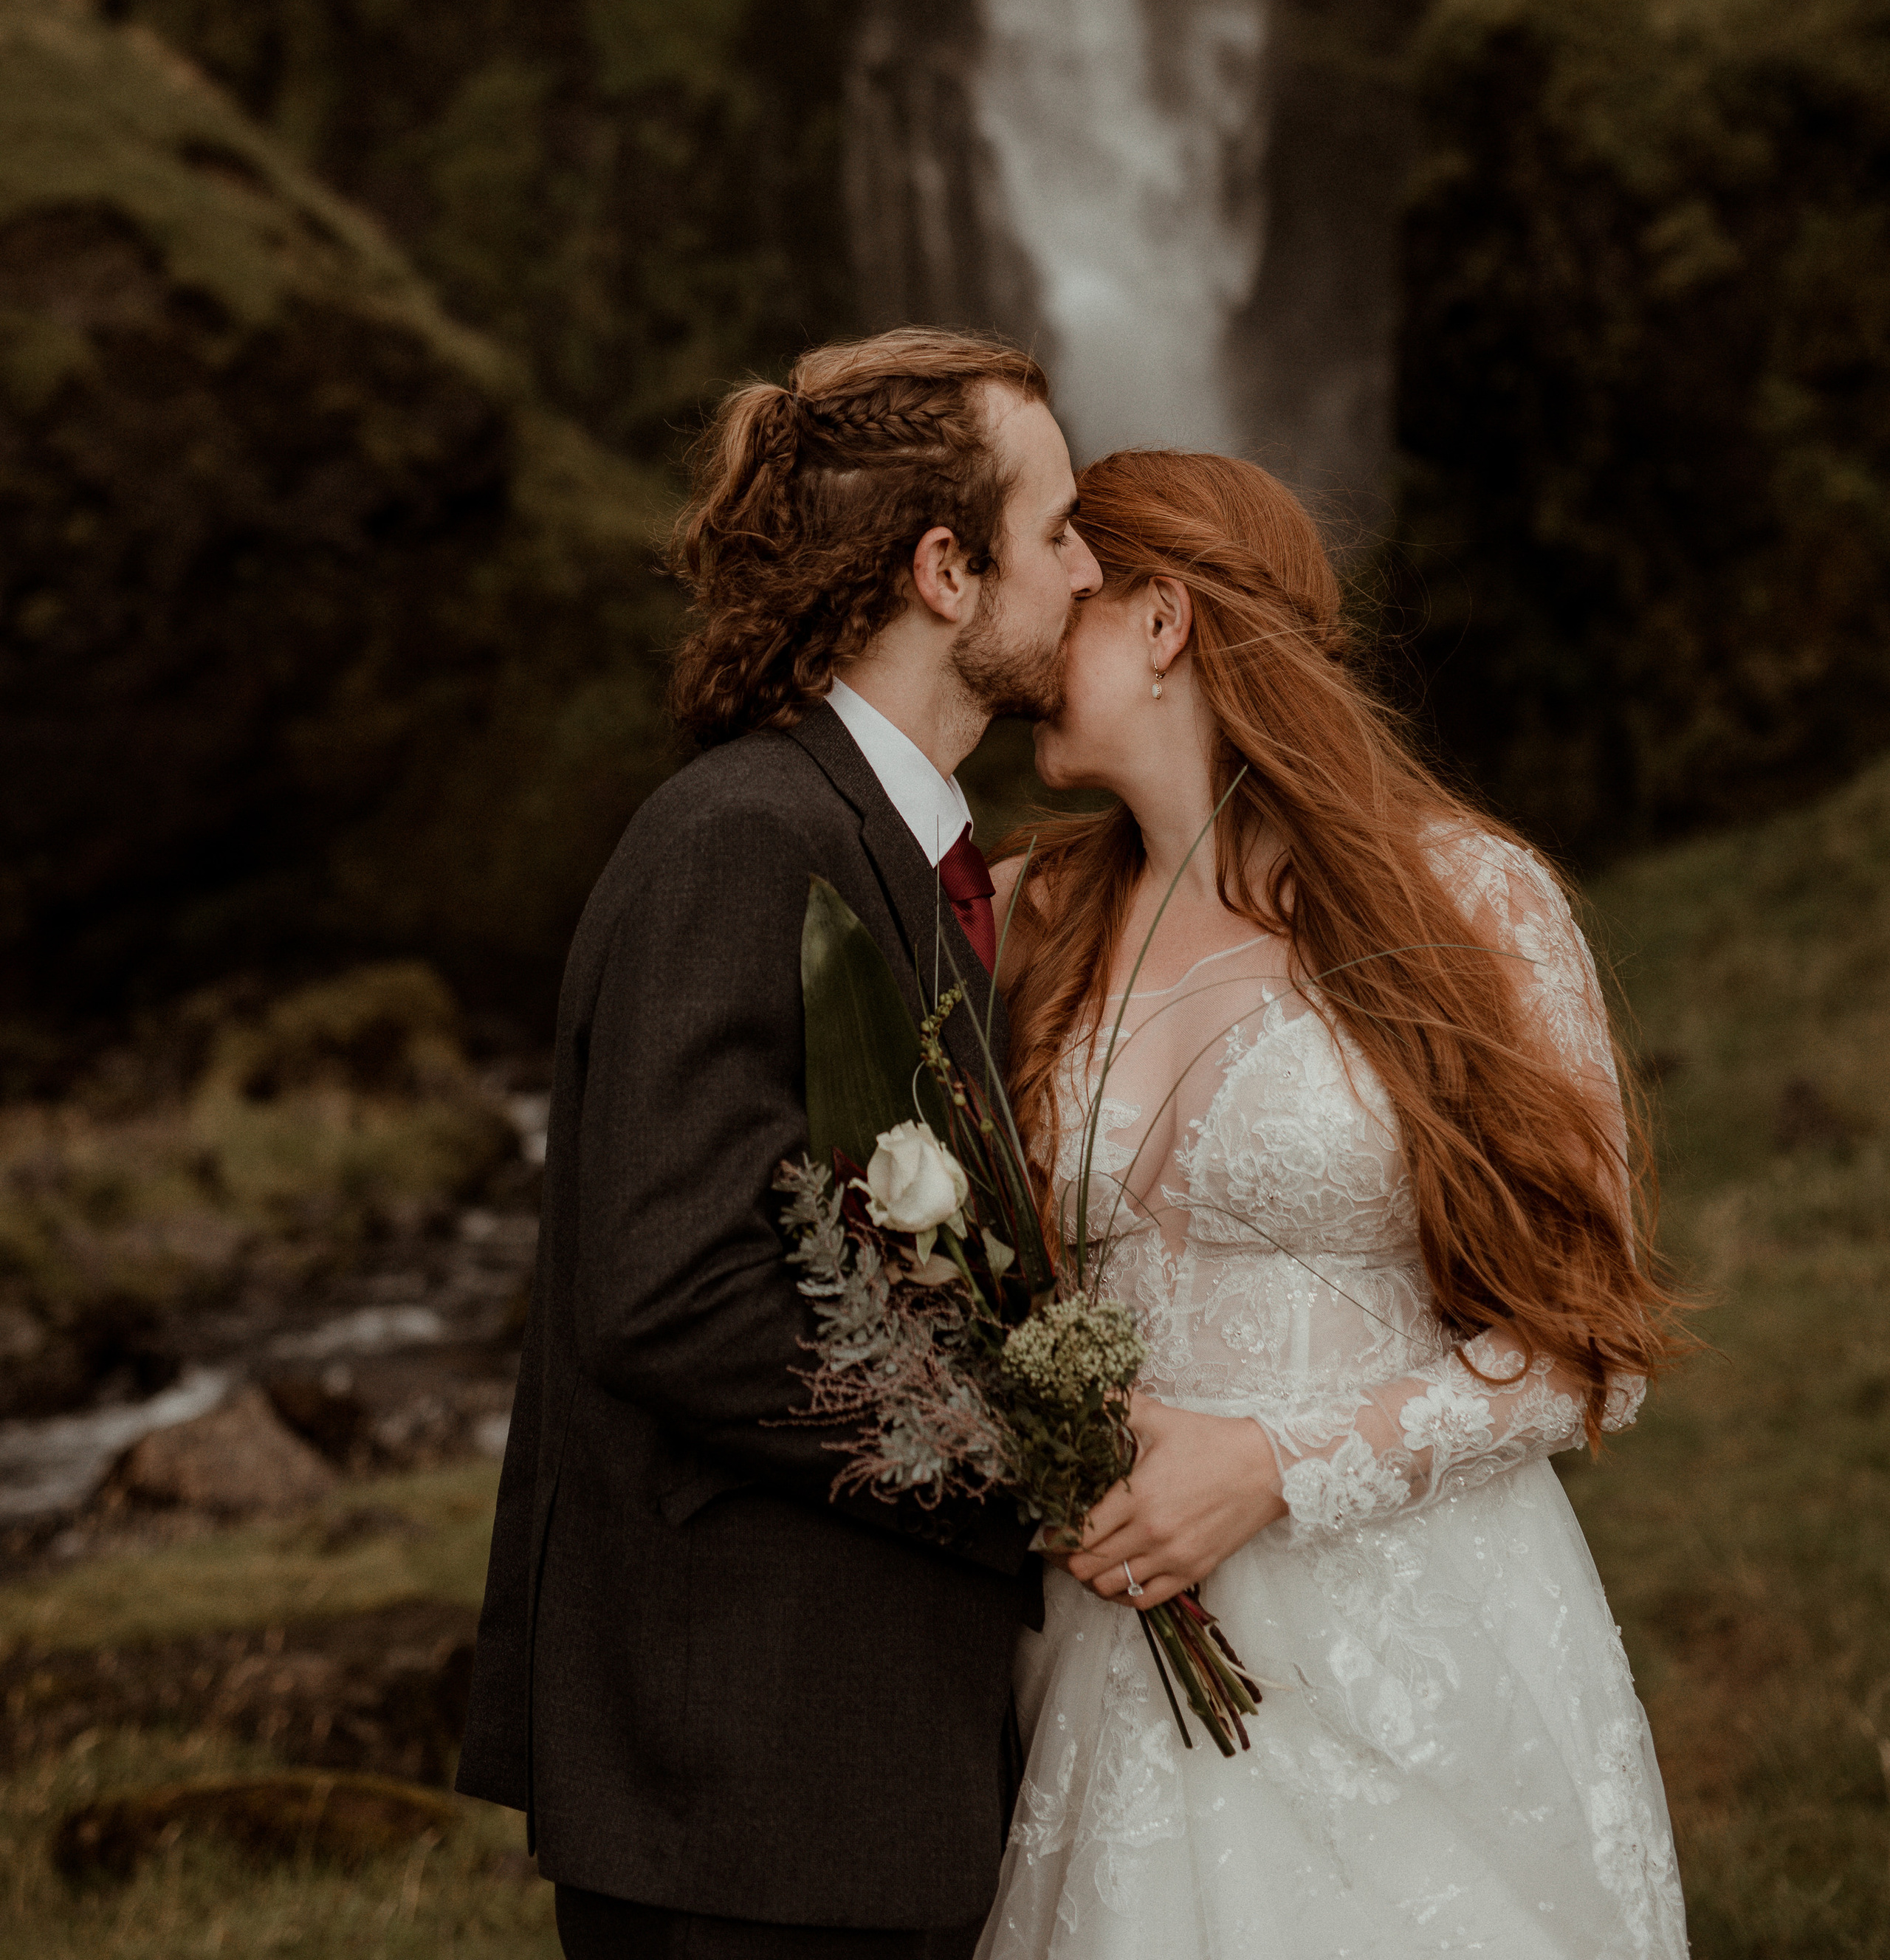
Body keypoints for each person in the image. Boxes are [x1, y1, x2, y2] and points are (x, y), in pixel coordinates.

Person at [978, 449, 1690, 1960]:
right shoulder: (1030, 919)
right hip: (1116, 1648)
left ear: (1162, 619)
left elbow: (1588, 1351)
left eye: (1074, 597)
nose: (1031, 644)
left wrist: (1272, 1467)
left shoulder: (1467, 904)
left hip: (1411, 1645)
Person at [456, 326, 1103, 1960]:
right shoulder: (746, 839)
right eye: (1057, 532)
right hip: (743, 1786)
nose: (1089, 574)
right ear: (943, 570)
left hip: (831, 1771)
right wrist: (1028, 1466)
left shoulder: (876, 845)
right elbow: (672, 1292)